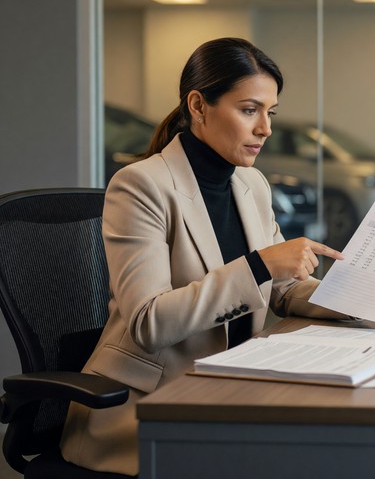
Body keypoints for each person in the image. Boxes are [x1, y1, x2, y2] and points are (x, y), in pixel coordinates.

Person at [60, 37, 346, 476]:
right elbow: (149, 322)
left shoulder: (252, 186)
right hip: (145, 408)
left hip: (228, 391)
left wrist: (356, 294)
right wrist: (261, 264)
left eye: (270, 112)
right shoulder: (140, 186)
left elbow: (284, 289)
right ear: (198, 105)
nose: (265, 128)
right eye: (249, 110)